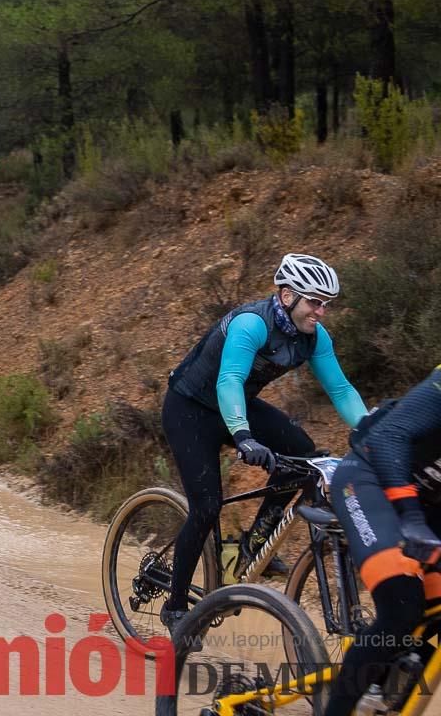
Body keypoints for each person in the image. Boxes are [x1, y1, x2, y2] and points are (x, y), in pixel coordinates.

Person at [160, 253, 368, 632]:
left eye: (326, 304)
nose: (321, 312)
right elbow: (230, 380)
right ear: (288, 296)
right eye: (315, 302)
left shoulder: (314, 338)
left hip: (237, 406)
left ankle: (254, 542)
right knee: (207, 507)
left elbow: (340, 389)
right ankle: (176, 607)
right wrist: (243, 435)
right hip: (190, 409)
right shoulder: (251, 324)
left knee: (306, 458)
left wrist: (371, 429)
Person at [323, 368, 441, 716]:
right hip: (367, 479)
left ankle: (387, 679)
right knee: (402, 603)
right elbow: (389, 437)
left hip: (427, 500)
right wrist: (413, 520)